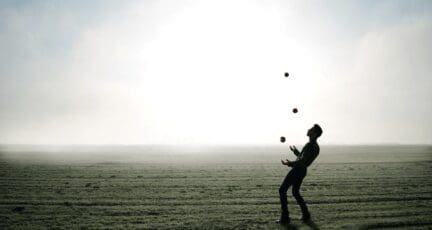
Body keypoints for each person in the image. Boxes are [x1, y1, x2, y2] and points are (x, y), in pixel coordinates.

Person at [277, 124, 322, 224]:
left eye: (311, 129)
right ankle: (306, 214)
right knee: (295, 192)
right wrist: (296, 152)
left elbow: (303, 160)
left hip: (298, 169)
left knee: (282, 190)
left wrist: (290, 163)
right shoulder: (315, 146)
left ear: (314, 134)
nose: (308, 129)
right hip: (302, 170)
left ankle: (285, 217)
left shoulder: (310, 145)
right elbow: (304, 159)